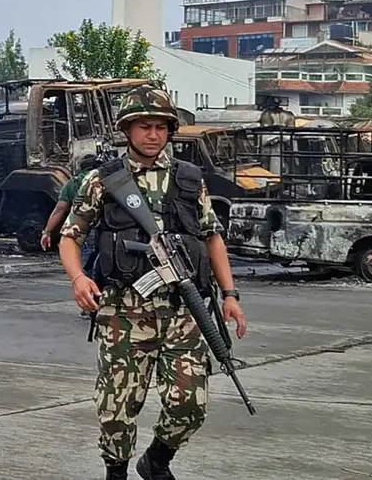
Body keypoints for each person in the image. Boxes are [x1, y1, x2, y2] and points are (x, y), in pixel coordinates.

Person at [57, 85, 248, 480]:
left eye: (160, 127)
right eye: (143, 126)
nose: (152, 135)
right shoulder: (103, 181)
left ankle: (157, 461)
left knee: (190, 404)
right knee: (116, 407)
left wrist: (230, 295)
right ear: (127, 130)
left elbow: (212, 237)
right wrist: (78, 277)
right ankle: (116, 471)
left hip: (183, 313)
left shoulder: (191, 180)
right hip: (123, 312)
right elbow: (70, 236)